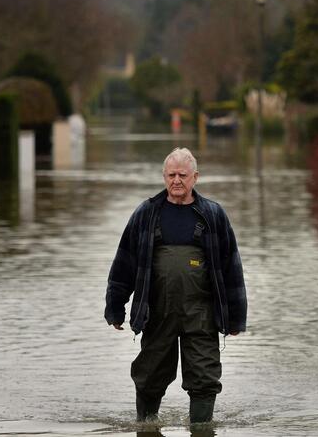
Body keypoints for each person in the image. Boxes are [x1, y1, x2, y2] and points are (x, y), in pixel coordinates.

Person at [105, 147, 247, 425]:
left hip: (202, 314)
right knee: (149, 376)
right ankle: (145, 426)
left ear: (196, 177)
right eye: (171, 175)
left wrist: (236, 318)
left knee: (205, 377)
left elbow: (232, 268)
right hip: (157, 312)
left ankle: (201, 428)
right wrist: (115, 307)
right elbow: (124, 262)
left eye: (183, 175)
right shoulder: (146, 213)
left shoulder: (213, 215)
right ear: (164, 176)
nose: (177, 180)